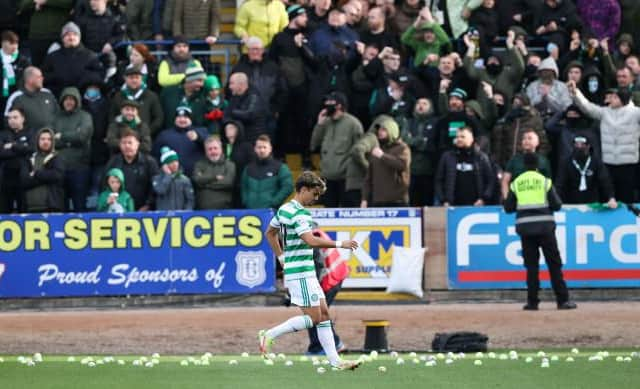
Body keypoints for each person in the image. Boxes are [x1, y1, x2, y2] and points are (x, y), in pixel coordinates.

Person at [260, 170, 361, 371]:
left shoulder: (284, 209)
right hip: (301, 273)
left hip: (303, 271)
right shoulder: (300, 213)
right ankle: (269, 335)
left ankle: (335, 362)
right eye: (314, 194)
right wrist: (341, 243)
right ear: (303, 189)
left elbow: (269, 233)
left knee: (323, 314)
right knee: (314, 318)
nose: (315, 199)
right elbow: (310, 240)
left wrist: (281, 258)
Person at [504, 152, 577, 311]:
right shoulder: (545, 181)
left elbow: (508, 208)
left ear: (524, 165)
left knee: (531, 266)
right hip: (545, 228)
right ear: (538, 165)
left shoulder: (517, 183)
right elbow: (557, 205)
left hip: (525, 229)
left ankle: (532, 302)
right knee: (554, 264)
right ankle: (562, 300)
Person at [569, 80, 640, 203]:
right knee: (607, 194)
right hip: (608, 163)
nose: (610, 99)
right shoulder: (604, 112)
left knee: (626, 196)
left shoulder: (636, 113)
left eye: (614, 97)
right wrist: (576, 93)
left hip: (628, 164)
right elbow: (587, 107)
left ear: (623, 99)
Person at [310, 92, 363, 207]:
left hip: (346, 179)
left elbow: (359, 150)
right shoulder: (326, 122)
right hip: (327, 178)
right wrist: (319, 124)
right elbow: (314, 144)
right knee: (329, 209)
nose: (326, 105)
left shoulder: (353, 124)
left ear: (339, 105)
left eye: (330, 102)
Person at [51, 87, 94, 212]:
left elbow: (82, 137)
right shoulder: (55, 118)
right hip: (59, 169)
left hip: (80, 168)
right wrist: (71, 139)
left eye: (72, 99)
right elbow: (51, 140)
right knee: (60, 207)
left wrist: (62, 136)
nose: (69, 102)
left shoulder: (85, 116)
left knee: (79, 206)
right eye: (66, 99)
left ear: (77, 101)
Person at [435, 126, 494, 206]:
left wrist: (484, 199)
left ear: (472, 139)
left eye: (463, 137)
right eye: (457, 137)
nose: (459, 139)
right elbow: (438, 180)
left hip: (476, 206)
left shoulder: (481, 157)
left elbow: (490, 180)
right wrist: (443, 200)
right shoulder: (447, 156)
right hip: (452, 206)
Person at [103, 129, 159, 211]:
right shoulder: (113, 162)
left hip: (145, 211)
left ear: (137, 144)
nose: (127, 146)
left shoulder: (149, 162)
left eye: (130, 142)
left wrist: (148, 205)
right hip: (120, 210)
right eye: (124, 143)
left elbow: (155, 187)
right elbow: (104, 186)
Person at [361, 116, 411, 207]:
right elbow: (368, 178)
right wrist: (364, 199)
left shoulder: (402, 148)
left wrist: (382, 156)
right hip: (377, 201)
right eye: (379, 130)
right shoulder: (376, 149)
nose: (380, 132)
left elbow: (402, 165)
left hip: (398, 201)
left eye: (384, 130)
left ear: (392, 131)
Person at [555, 135, 617, 206]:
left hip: (592, 202)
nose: (579, 147)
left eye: (582, 144)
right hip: (571, 202)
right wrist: (556, 200)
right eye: (577, 144)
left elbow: (605, 180)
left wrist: (611, 197)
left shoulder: (596, 162)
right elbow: (560, 183)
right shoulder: (566, 162)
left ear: (588, 146)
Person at [20, 127, 65, 213]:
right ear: (37, 141)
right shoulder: (28, 158)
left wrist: (36, 174)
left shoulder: (57, 158)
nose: (46, 142)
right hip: (29, 209)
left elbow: (57, 176)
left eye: (49, 139)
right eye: (43, 139)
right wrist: (46, 177)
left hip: (51, 208)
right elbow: (24, 181)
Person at [241, 134, 292, 209]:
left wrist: (274, 202)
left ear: (270, 149)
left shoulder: (280, 167)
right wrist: (246, 201)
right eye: (259, 147)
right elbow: (243, 187)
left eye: (265, 147)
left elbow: (288, 187)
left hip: (271, 212)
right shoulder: (248, 168)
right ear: (255, 149)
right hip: (251, 212)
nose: (262, 150)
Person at [0, 107, 34, 213]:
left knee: (23, 210)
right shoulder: (3, 134)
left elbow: (31, 149)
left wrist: (12, 145)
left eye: (15, 117)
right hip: (5, 178)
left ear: (23, 118)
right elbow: (1, 153)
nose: (12, 120)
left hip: (23, 177)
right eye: (9, 118)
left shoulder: (30, 132)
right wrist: (21, 148)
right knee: (4, 210)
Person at [192, 135, 236, 209]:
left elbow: (228, 183)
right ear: (206, 151)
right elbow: (196, 180)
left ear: (221, 149)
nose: (213, 151)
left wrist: (204, 185)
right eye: (210, 149)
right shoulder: (199, 165)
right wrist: (215, 178)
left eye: (215, 148)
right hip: (203, 210)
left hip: (224, 210)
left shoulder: (229, 165)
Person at [152, 146, 195, 211]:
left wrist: (186, 212)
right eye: (171, 162)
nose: (175, 164)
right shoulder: (157, 179)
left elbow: (190, 199)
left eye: (176, 161)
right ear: (165, 165)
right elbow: (161, 190)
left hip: (180, 216)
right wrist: (168, 175)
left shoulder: (184, 179)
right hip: (163, 216)